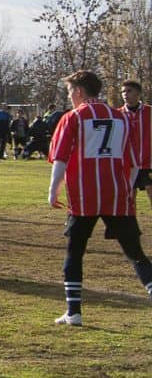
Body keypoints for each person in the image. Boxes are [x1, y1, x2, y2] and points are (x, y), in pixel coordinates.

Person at [47, 70, 152, 326]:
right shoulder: (121, 117)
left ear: (79, 92)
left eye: (70, 91)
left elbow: (60, 157)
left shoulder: (74, 117)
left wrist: (53, 190)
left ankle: (74, 312)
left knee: (75, 252)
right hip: (117, 195)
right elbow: (135, 162)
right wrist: (125, 187)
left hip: (85, 195)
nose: (70, 96)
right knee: (135, 252)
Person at [119, 79, 152, 209]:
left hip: (148, 162)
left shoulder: (149, 112)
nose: (125, 94)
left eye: (129, 91)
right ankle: (130, 227)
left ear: (137, 93)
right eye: (123, 91)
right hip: (128, 163)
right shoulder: (118, 114)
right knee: (129, 197)